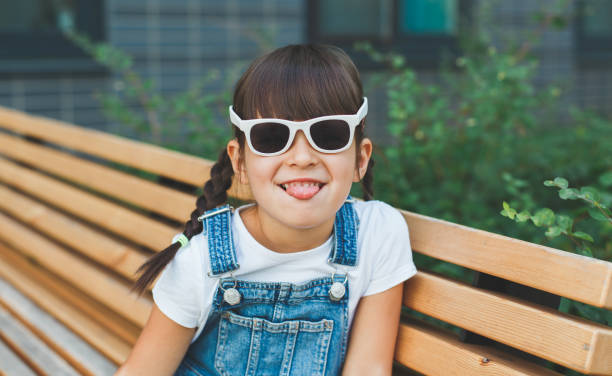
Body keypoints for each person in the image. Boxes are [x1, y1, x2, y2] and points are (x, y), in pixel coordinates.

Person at [116, 44, 417, 376]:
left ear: (360, 159)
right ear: (240, 162)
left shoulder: (377, 234)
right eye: (272, 137)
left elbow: (368, 369)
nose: (302, 157)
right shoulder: (201, 261)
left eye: (328, 134)